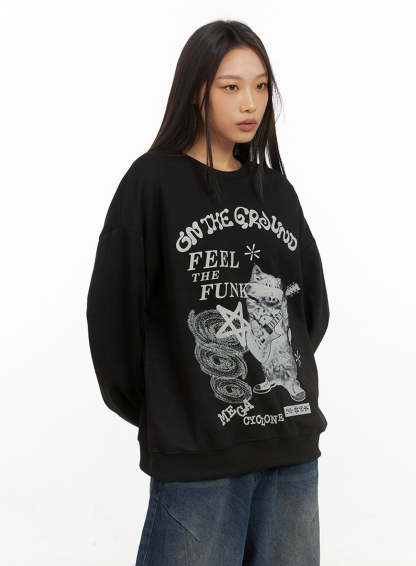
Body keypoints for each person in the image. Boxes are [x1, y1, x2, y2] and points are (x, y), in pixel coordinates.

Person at [86, 19, 330, 566]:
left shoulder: (276, 190)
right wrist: (173, 409)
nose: (250, 103)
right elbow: (111, 320)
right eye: (231, 86)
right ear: (198, 92)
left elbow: (310, 312)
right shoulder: (152, 183)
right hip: (197, 457)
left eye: (261, 86)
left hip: (290, 447)